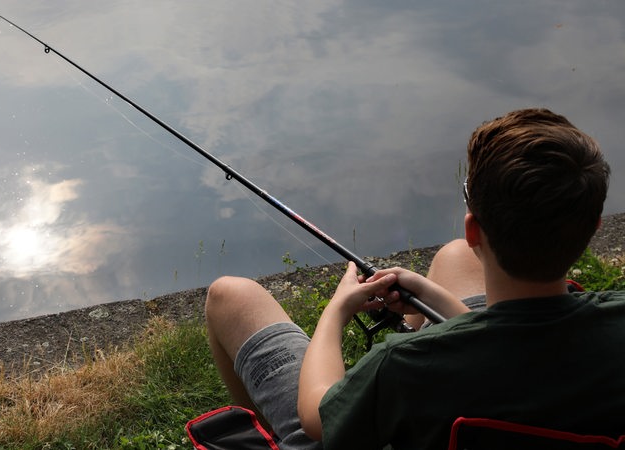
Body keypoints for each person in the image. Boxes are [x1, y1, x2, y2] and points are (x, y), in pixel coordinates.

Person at [204, 108, 621, 449]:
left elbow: (319, 417)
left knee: (230, 295)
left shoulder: (405, 367)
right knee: (452, 260)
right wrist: (428, 293)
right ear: (594, 228)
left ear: (473, 229)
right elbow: (507, 349)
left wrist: (336, 311)